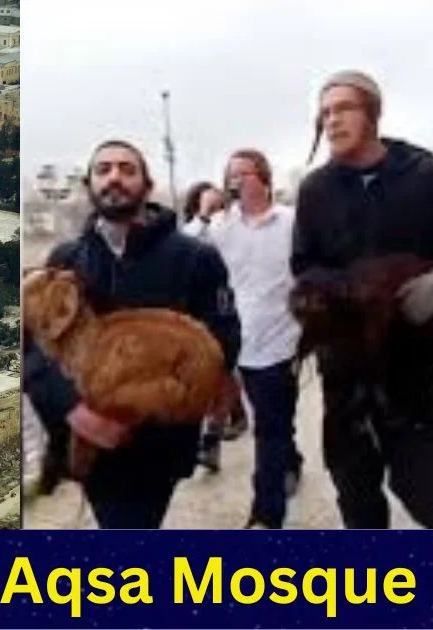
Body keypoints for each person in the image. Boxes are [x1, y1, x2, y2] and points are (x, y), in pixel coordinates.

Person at [23, 140, 241, 528]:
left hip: (160, 443)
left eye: (127, 169)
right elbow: (33, 352)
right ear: (89, 183)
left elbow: (224, 342)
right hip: (84, 436)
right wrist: (75, 409)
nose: (114, 178)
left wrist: (148, 400)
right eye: (104, 169)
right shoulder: (65, 260)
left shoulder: (195, 259)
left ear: (147, 183)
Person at [293, 70, 433, 528]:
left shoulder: (424, 176)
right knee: (358, 500)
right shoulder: (315, 191)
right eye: (324, 113)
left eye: (342, 108)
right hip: (346, 374)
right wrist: (337, 292)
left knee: (429, 497)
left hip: (419, 370)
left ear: (373, 112)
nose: (331, 121)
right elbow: (303, 265)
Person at [206, 150, 305, 528]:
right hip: (237, 344)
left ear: (263, 177)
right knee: (272, 420)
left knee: (270, 428)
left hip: (283, 341)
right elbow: (189, 256)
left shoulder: (291, 222)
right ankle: (291, 460)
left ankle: (266, 514)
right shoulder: (218, 228)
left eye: (242, 174)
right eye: (229, 175)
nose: (235, 181)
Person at [180, 182, 250, 474]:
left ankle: (212, 438)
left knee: (223, 373)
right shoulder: (191, 231)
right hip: (199, 313)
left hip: (233, 307)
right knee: (214, 377)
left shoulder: (234, 225)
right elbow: (186, 244)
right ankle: (227, 422)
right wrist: (205, 215)